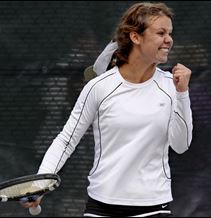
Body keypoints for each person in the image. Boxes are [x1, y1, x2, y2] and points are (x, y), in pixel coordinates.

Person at [21, 2, 193, 217]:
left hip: (155, 206)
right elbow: (67, 139)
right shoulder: (99, 87)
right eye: (160, 32)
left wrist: (182, 94)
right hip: (101, 206)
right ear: (135, 37)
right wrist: (41, 182)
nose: (169, 39)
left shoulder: (171, 86)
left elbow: (181, 145)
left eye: (170, 33)